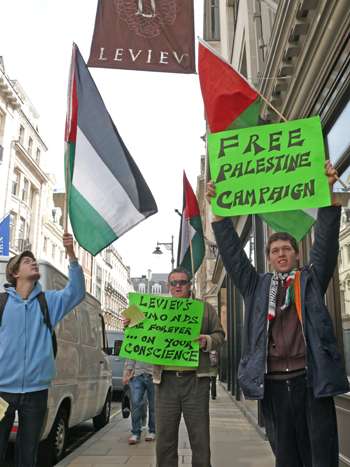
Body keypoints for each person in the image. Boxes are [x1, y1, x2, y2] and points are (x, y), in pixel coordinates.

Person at [207, 161, 349, 467]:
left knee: (321, 459)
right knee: (286, 459)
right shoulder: (256, 287)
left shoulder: (310, 280)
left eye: (286, 248)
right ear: (269, 259)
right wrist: (218, 216)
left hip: (311, 383)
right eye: (275, 250)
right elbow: (233, 257)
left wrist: (329, 194)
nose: (281, 253)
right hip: (272, 386)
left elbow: (325, 244)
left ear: (296, 254)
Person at [0, 233, 85, 467]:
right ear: (15, 273)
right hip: (1, 392)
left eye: (34, 260)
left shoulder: (48, 302)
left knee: (28, 455)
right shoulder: (2, 303)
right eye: (27, 261)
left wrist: (71, 254)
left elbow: (76, 293)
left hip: (36, 391)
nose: (33, 262)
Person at [154, 267, 225, 467]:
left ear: (189, 285)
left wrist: (207, 340)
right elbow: (139, 330)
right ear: (168, 286)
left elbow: (220, 335)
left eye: (182, 282)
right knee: (165, 440)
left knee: (200, 438)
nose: (178, 286)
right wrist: (130, 324)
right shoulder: (158, 309)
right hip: (165, 381)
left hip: (196, 381)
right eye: (174, 283)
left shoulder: (204, 309)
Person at [122, 359, 155, 445]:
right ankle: (135, 432)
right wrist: (128, 371)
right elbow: (132, 354)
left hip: (154, 374)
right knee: (135, 403)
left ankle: (152, 431)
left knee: (153, 405)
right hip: (137, 374)